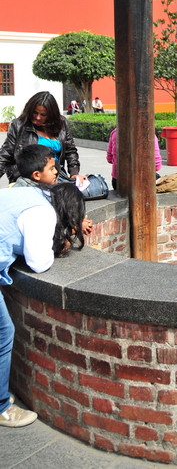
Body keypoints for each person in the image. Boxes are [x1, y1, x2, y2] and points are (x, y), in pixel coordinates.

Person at [0, 182, 85, 428]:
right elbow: (39, 262)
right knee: (4, 333)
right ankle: (2, 407)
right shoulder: (43, 213)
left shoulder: (30, 193)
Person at [0, 92, 85, 185]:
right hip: (28, 180)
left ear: (52, 114)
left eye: (43, 114)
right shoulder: (19, 126)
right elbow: (5, 155)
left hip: (57, 177)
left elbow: (70, 150)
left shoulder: (62, 123)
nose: (38, 117)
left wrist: (74, 173)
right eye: (35, 113)